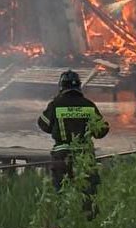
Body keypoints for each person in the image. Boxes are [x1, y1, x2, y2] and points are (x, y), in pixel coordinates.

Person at [37, 69, 109, 207]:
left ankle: (66, 224)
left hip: (62, 156)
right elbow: (101, 131)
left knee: (63, 194)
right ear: (79, 86)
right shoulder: (89, 105)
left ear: (61, 86)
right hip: (85, 156)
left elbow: (43, 124)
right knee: (89, 194)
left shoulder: (56, 104)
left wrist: (58, 127)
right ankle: (88, 224)